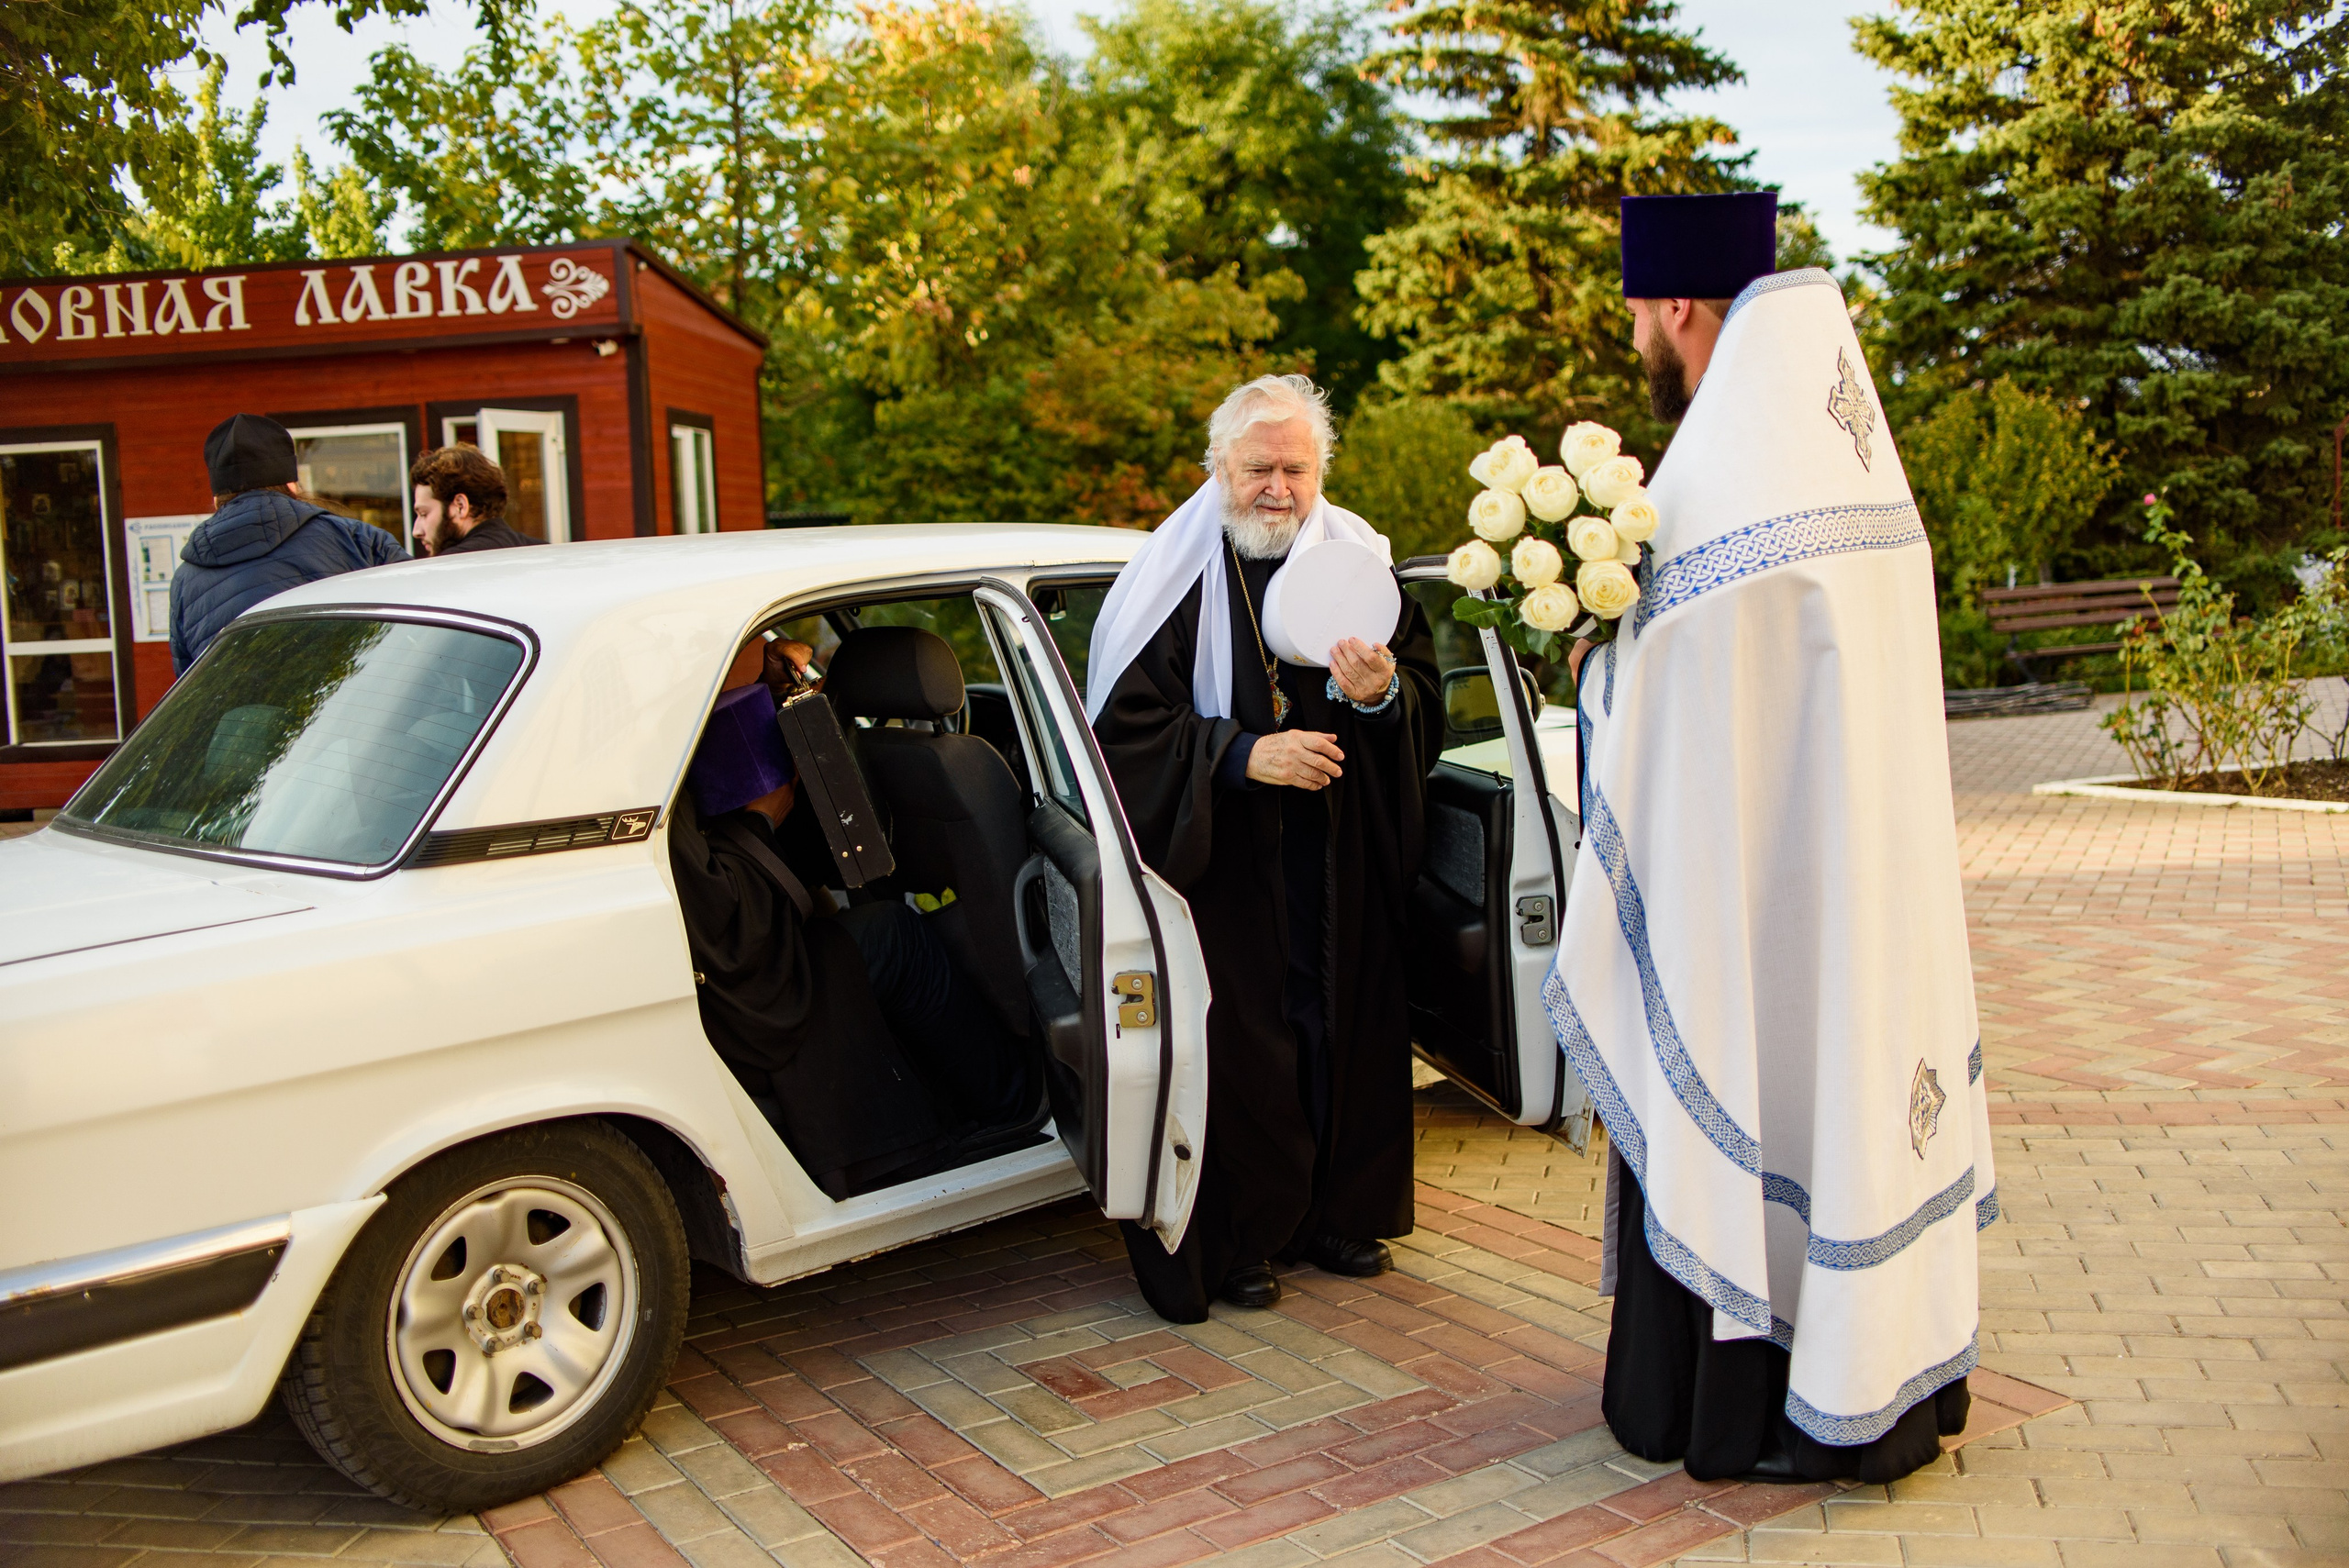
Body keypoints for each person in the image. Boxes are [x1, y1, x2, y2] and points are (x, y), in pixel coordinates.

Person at [1546, 191, 1990, 1485]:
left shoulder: (1724, 486)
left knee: (1782, 1078)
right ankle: (1899, 1370)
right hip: (1875, 883)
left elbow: (1674, 692)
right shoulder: (1842, 454)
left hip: (1770, 904)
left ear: (1678, 305)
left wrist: (1598, 669)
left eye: (1639, 310)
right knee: (1856, 1095)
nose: (1640, 331)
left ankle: (1772, 1403)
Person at [1085, 374, 1441, 1321]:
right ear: (1219, 469)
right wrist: (1243, 754)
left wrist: (1377, 695)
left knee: (1342, 1025)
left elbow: (1419, 692)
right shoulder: (1169, 578)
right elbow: (1124, 729)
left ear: (1320, 469)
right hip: (1229, 867)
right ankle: (1244, 1237)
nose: (1278, 487)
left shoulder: (1359, 557)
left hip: (1336, 857)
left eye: (1296, 467)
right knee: (1245, 1047)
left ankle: (1340, 1214)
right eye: (1259, 468)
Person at [669, 650, 1020, 1199]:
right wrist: (761, 819)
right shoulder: (652, 765)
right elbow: (723, 919)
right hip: (736, 989)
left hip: (727, 957)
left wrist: (766, 669)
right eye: (753, 646)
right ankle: (1014, 1104)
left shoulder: (646, 751)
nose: (773, 652)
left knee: (874, 925)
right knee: (896, 935)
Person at [169, 415, 408, 673]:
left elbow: (188, 680)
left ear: (217, 498)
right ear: (292, 485)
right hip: (355, 707)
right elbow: (422, 631)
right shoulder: (360, 539)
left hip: (239, 713)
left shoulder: (185, 581)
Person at [412, 444, 548, 555]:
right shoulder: (544, 552)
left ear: (461, 506)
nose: (416, 531)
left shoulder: (451, 565)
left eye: (424, 514)